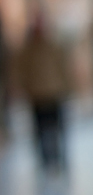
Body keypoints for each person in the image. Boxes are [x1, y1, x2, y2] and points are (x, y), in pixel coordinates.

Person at [18, 11, 71, 174]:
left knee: (58, 130)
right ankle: (45, 162)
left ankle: (60, 159)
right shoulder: (28, 50)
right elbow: (21, 72)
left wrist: (67, 87)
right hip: (37, 96)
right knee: (40, 131)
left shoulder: (54, 46)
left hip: (54, 94)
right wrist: (24, 90)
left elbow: (63, 68)